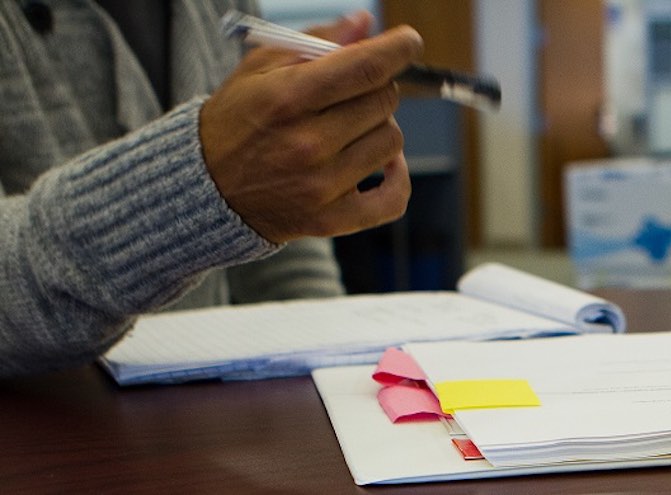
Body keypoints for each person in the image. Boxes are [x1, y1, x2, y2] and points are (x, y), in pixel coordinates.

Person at [0, 1, 424, 376]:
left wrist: (333, 363)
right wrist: (199, 177)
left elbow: (276, 225)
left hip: (200, 422)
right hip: (48, 432)